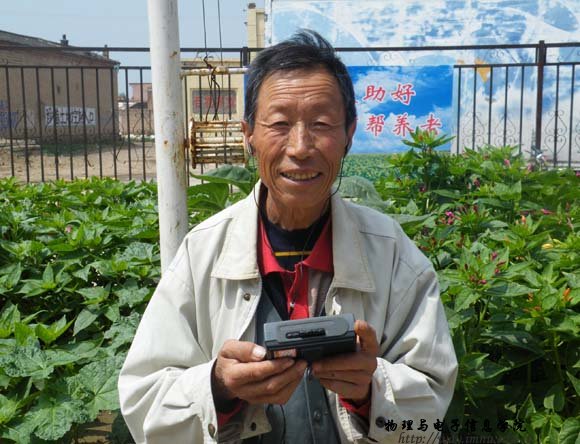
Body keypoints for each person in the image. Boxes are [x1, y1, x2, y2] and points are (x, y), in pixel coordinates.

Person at [118, 30, 457, 444]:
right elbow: (144, 400)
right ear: (249, 135)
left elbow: (433, 399)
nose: (300, 147)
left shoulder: (392, 253)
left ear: (349, 134)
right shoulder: (202, 252)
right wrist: (218, 388)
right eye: (279, 123)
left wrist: (372, 390)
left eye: (321, 124)